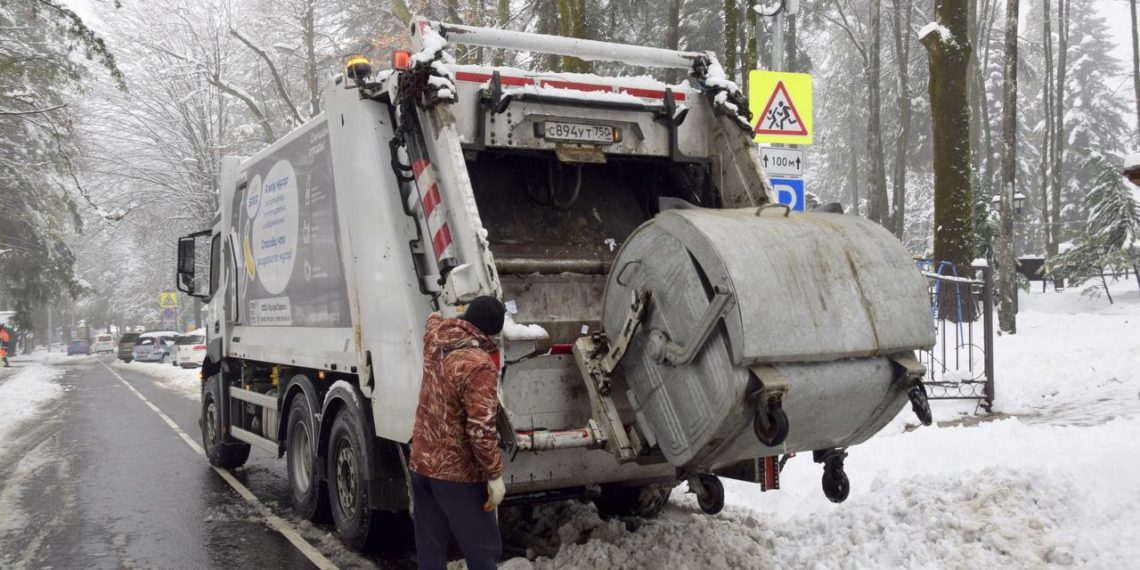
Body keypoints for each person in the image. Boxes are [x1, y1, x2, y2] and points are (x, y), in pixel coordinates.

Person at [409, 296, 507, 570]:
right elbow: (481, 430)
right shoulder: (479, 365)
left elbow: (433, 319)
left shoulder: (434, 341)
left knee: (430, 552)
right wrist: (494, 475)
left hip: (422, 466)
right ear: (492, 332)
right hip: (457, 475)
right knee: (482, 552)